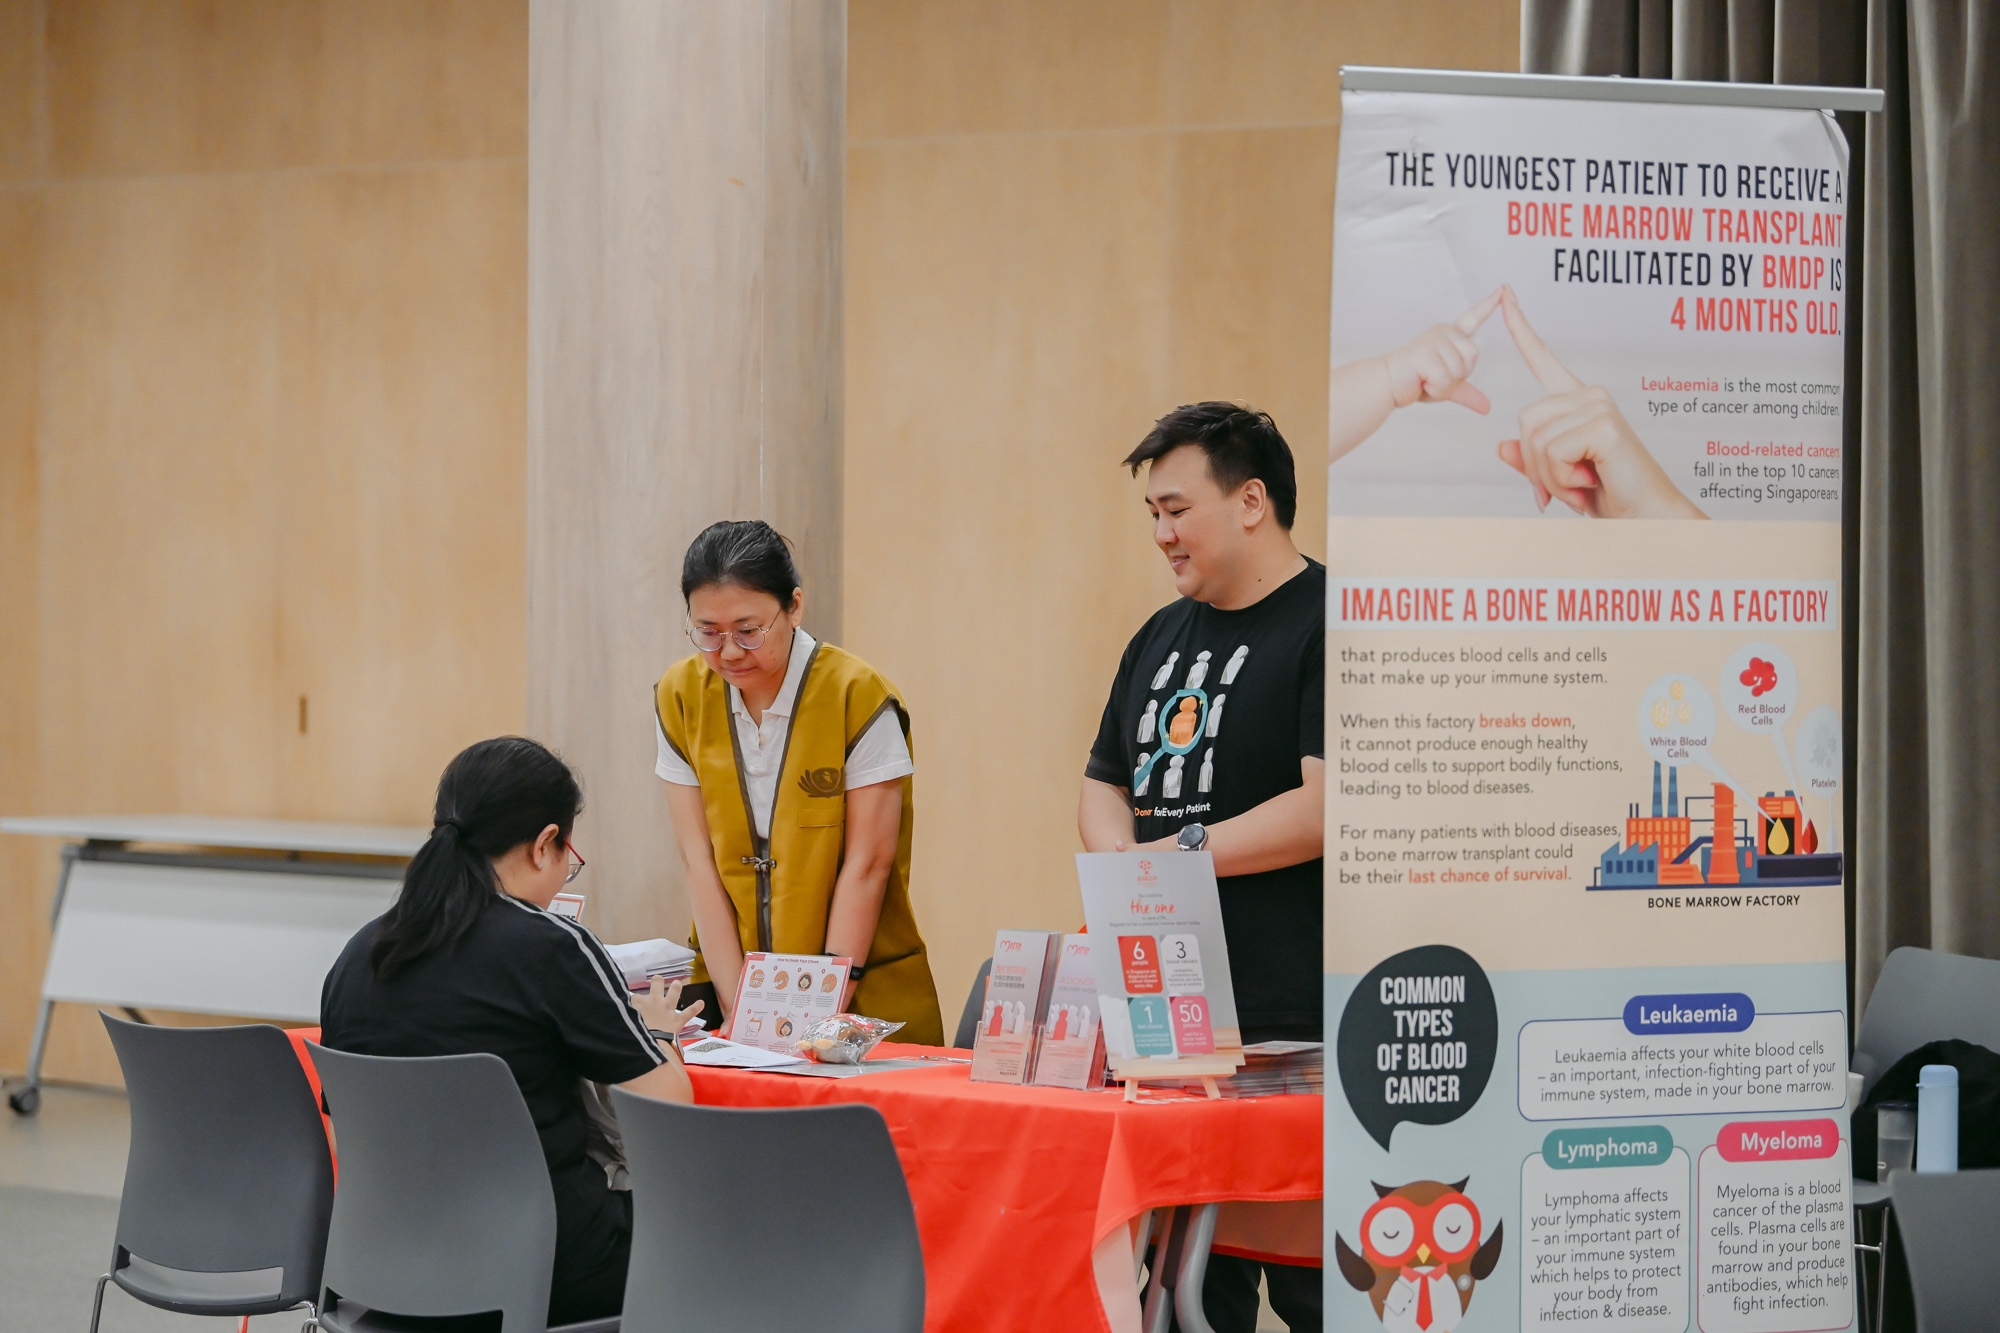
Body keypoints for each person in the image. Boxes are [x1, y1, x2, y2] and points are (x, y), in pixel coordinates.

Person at [1079, 401, 1327, 1332]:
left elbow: (1327, 805)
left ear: (1252, 501)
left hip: (1296, 1036)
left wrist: (1176, 857)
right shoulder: (1158, 636)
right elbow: (1103, 781)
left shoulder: (1331, 623)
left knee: (1315, 1291)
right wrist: (1122, 866)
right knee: (1188, 1297)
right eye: (1153, 513)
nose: (1162, 534)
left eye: (1177, 509)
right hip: (1173, 1039)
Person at [321, 736, 699, 1324]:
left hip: (387, 1267)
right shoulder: (549, 946)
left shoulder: (360, 952)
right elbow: (669, 1110)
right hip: (547, 1266)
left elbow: (346, 1132)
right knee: (721, 1231)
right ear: (545, 843)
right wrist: (657, 1034)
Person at [654, 519, 944, 1044]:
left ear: (794, 607)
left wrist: (815, 1011)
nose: (730, 651)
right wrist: (738, 1006)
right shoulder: (680, 697)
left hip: (859, 991)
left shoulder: (857, 695)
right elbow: (699, 861)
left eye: (749, 630)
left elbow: (868, 864)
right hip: (730, 984)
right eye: (708, 632)